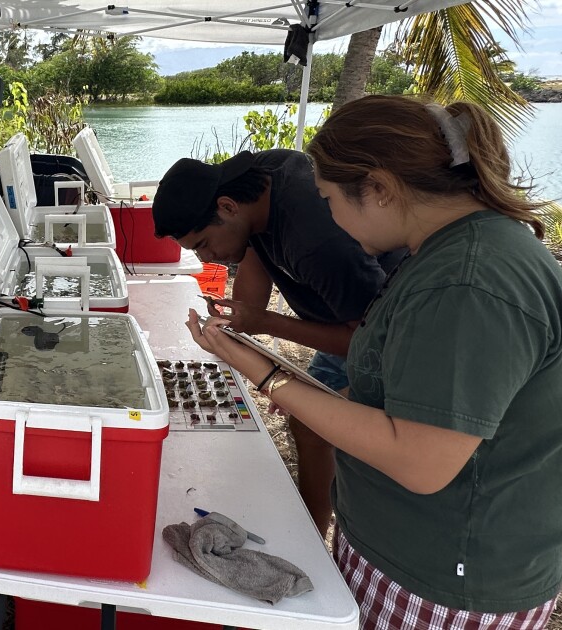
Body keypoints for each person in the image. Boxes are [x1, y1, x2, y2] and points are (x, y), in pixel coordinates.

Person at [190, 95, 562, 628]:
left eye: (330, 198)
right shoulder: (447, 253)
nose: (329, 215)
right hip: (404, 551)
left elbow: (420, 460)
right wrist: (264, 355)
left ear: (379, 188)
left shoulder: (469, 281)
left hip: (445, 580)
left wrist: (265, 373)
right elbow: (389, 397)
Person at [151, 147, 398, 537]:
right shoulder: (256, 185)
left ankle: (318, 536)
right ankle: (314, 525)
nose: (209, 257)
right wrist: (239, 324)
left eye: (203, 243)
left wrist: (265, 323)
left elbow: (365, 343)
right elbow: (254, 255)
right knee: (306, 424)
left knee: (319, 427)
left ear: (228, 207)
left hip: (391, 333)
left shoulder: (316, 241)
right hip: (349, 315)